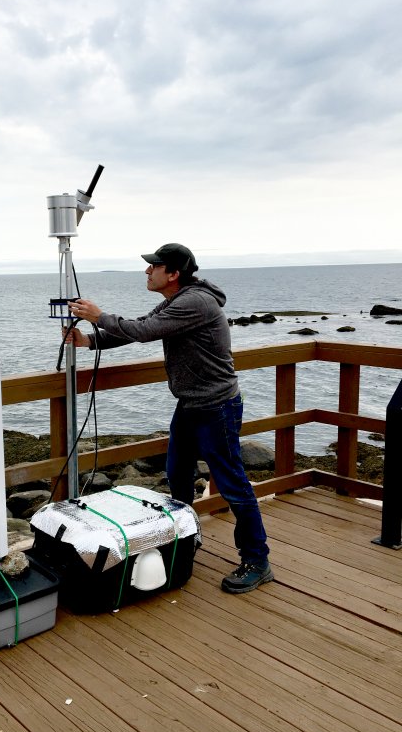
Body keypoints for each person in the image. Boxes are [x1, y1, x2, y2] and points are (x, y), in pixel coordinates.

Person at [67, 242, 273, 595]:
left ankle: (257, 559)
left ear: (174, 273)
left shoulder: (196, 301)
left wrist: (98, 316)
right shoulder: (177, 301)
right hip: (191, 406)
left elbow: (144, 331)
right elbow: (145, 326)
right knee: (178, 478)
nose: (148, 271)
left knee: (235, 485)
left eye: (154, 266)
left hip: (215, 407)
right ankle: (183, 539)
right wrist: (90, 340)